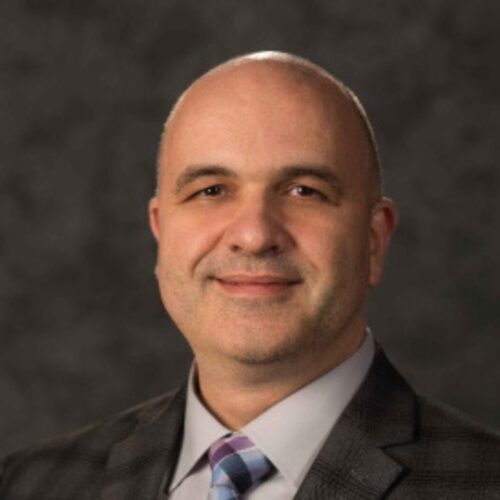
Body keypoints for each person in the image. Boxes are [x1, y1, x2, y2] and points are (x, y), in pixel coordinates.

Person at [1, 51, 499, 500]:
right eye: (211, 190)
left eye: (304, 191)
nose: (255, 235)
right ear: (161, 231)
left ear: (373, 240)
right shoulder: (28, 484)